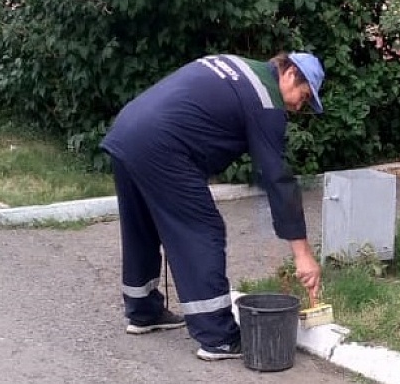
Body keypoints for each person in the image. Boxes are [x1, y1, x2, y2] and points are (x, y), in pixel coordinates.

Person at [99, 52, 325, 361]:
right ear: (289, 74)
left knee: (141, 224)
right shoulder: (266, 99)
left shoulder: (236, 65)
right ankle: (217, 336)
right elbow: (276, 178)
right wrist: (303, 255)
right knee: (202, 231)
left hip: (128, 131)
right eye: (304, 96)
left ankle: (143, 311)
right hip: (163, 146)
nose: (300, 107)